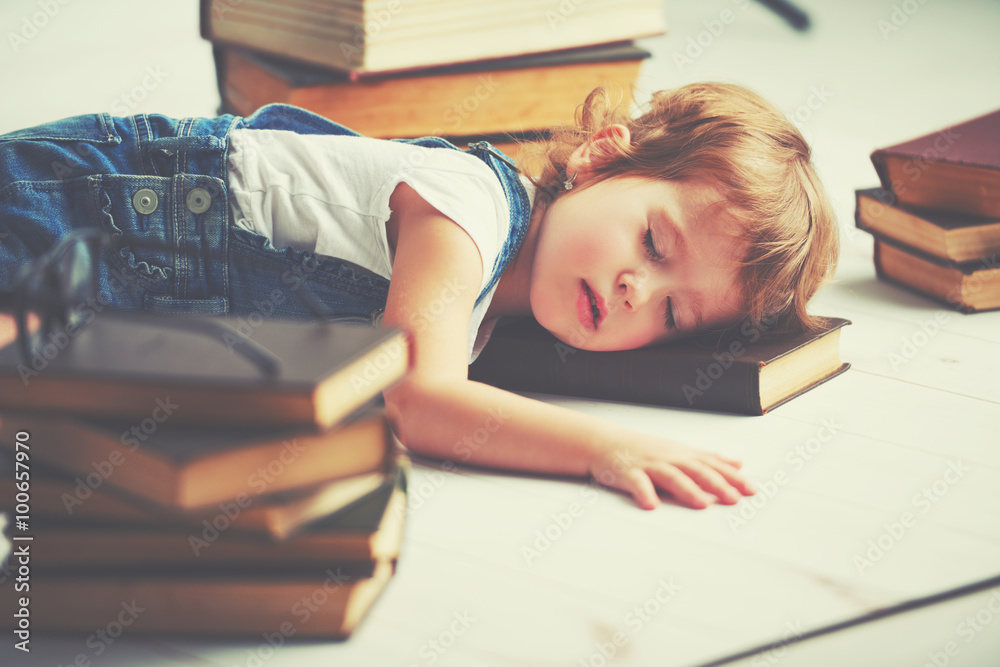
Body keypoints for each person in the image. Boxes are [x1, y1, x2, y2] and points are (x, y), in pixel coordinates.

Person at [0, 82, 838, 510]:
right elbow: (419, 399)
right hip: (78, 205)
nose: (635, 290)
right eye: (654, 243)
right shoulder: (468, 203)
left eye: (672, 313)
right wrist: (600, 447)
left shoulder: (486, 310)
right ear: (600, 158)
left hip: (96, 305)